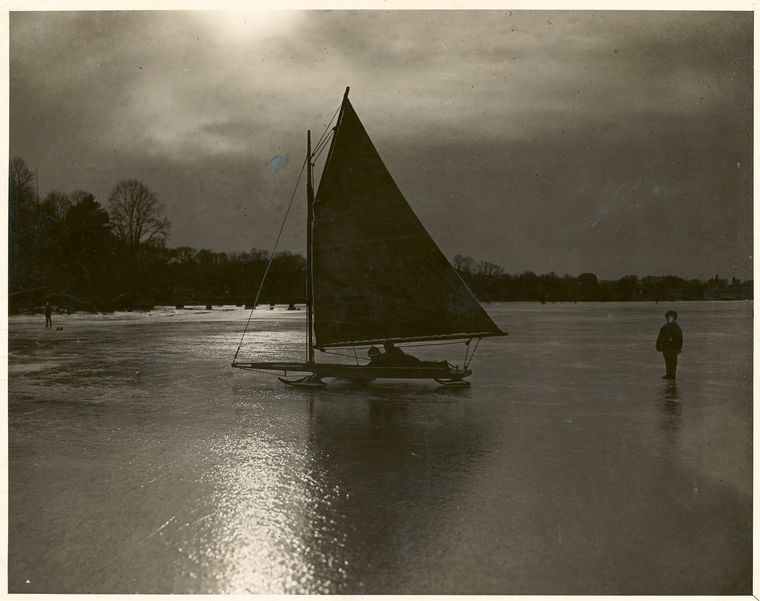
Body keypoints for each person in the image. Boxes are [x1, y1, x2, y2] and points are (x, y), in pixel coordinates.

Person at [656, 310, 683, 380]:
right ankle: (668, 374)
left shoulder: (677, 328)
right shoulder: (664, 327)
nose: (668, 318)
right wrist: (657, 345)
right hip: (665, 348)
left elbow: (680, 339)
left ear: (674, 318)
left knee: (673, 362)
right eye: (667, 317)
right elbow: (660, 337)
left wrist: (679, 348)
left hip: (673, 349)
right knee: (667, 362)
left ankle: (672, 375)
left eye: (670, 317)